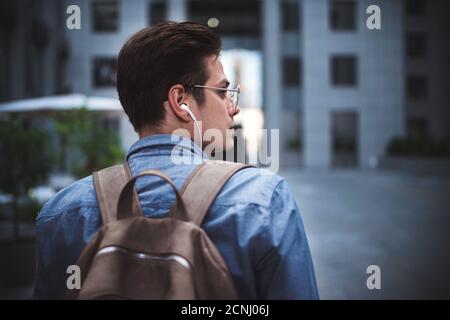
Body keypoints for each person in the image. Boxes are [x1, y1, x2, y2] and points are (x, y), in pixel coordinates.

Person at [34, 21, 319, 299]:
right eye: (222, 92)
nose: (233, 108)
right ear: (180, 100)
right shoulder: (264, 199)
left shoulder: (61, 214)